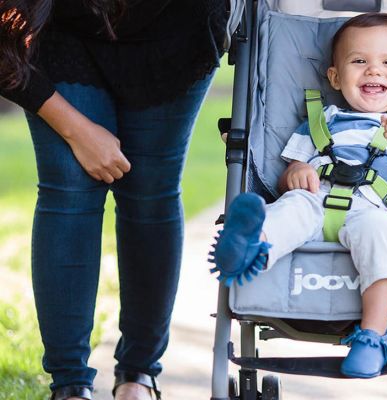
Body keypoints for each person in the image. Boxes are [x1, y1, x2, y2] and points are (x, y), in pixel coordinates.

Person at [0, 1, 227, 399]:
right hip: (61, 33)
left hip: (176, 34)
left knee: (150, 194)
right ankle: (69, 384)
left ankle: (138, 376)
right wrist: (76, 131)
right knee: (68, 189)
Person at [210, 13, 387, 378]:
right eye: (359, 61)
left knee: (381, 235)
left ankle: (373, 335)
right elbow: (291, 173)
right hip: (315, 198)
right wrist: (295, 173)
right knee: (289, 210)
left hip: (375, 209)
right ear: (335, 76)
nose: (373, 71)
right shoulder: (322, 119)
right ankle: (249, 246)